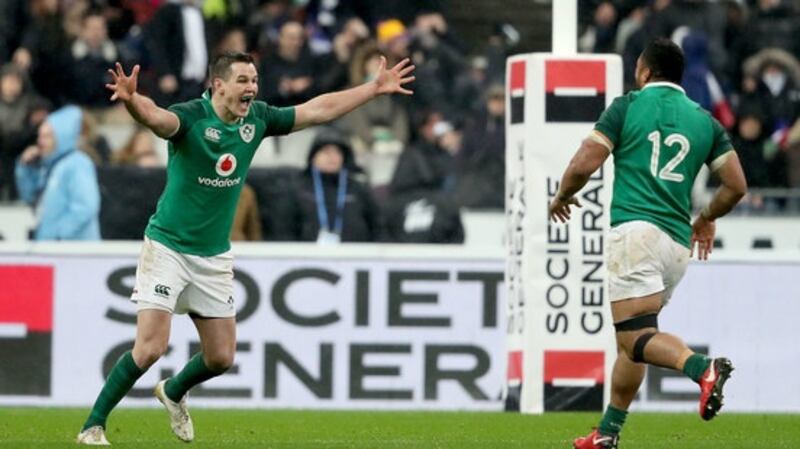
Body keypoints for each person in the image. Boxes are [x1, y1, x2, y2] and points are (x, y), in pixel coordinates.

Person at [76, 50, 415, 445]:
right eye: (242, 81)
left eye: (254, 80)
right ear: (218, 84)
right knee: (151, 347)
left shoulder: (257, 119)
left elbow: (317, 110)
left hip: (213, 254)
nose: (251, 88)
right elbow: (157, 118)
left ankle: (172, 391)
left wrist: (372, 89)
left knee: (220, 357)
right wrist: (134, 101)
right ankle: (93, 425)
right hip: (168, 245)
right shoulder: (191, 117)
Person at [547, 39, 747, 449]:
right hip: (676, 245)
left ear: (644, 72)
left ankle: (702, 368)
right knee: (636, 341)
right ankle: (607, 433)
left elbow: (585, 162)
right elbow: (736, 186)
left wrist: (563, 195)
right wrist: (706, 218)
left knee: (632, 339)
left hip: (636, 233)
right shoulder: (705, 121)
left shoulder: (628, 106)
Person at [15, 105, 101, 241]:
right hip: (53, 249)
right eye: (40, 136)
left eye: (47, 136)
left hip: (75, 252)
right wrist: (25, 169)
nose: (40, 142)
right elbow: (29, 197)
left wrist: (58, 235)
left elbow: (86, 207)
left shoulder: (78, 163)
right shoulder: (50, 166)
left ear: (62, 137)